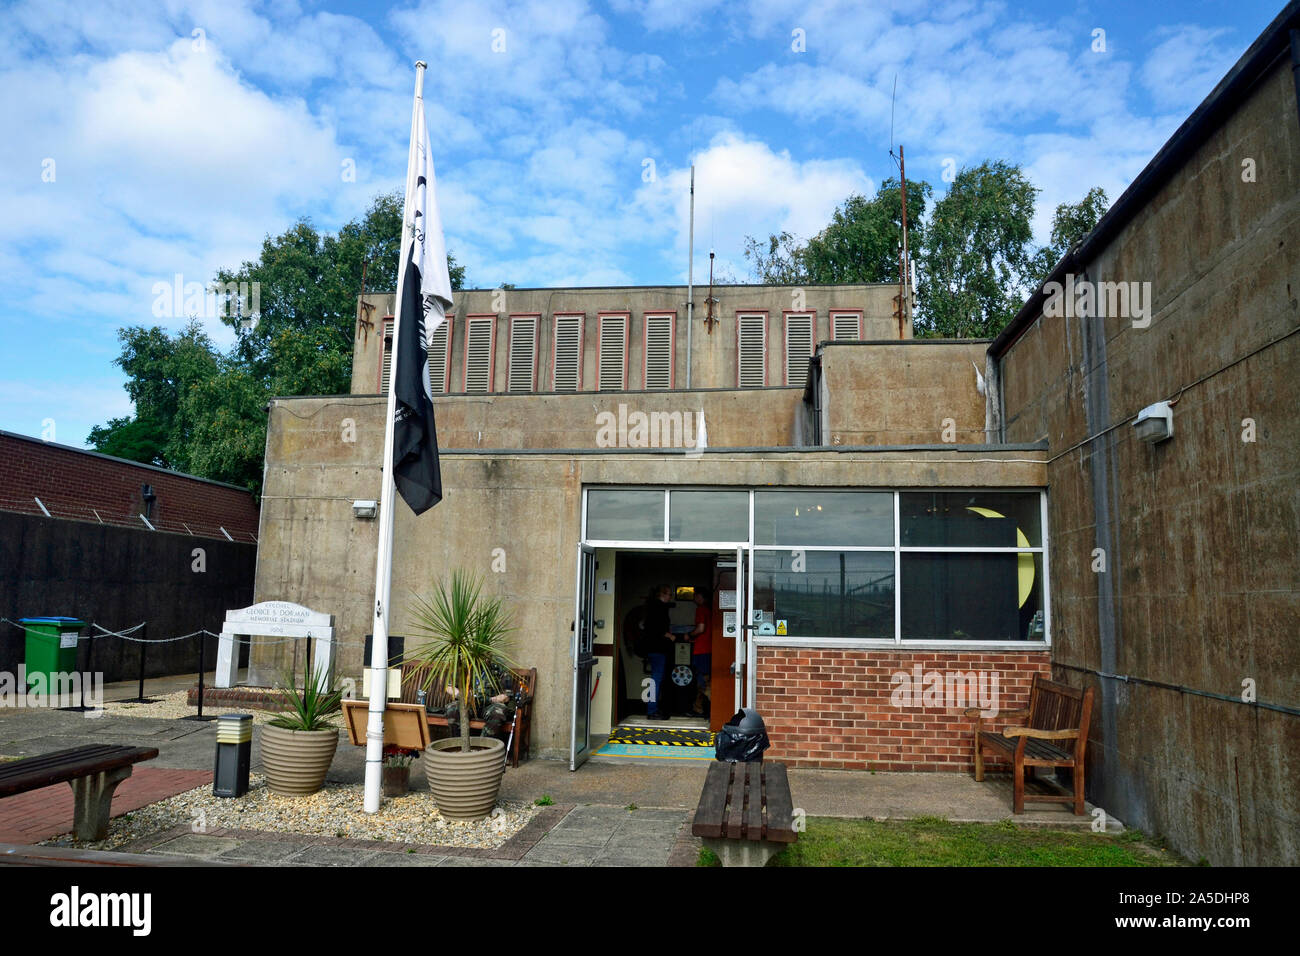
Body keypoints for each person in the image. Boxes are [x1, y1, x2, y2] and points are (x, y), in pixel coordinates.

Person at [439, 663, 527, 740]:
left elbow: (507, 696)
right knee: (452, 708)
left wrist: (491, 699)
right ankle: (458, 745)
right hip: (469, 703)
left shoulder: (498, 668)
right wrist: (461, 695)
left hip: (490, 705)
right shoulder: (465, 665)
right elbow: (449, 687)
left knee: (498, 712)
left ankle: (482, 748)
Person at [641, 584, 676, 720]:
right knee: (657, 679)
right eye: (669, 594)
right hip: (658, 648)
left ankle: (653, 708)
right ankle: (652, 710)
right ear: (663, 594)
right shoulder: (659, 608)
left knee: (656, 678)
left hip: (651, 647)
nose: (670, 597)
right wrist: (669, 635)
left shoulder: (651, 607)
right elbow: (657, 629)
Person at [689, 588, 712, 718]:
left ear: (699, 596)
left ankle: (714, 705)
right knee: (704, 679)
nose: (693, 598)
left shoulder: (701, 609)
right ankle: (698, 708)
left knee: (703, 681)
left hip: (701, 650)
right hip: (708, 649)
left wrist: (689, 635)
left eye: (695, 596)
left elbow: (701, 628)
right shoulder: (709, 610)